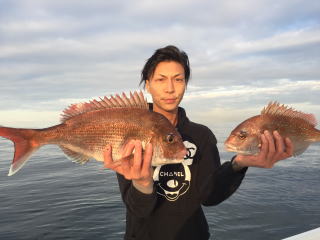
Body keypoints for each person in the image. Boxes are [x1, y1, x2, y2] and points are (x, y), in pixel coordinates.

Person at [103, 45, 293, 240]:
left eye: (178, 79)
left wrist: (239, 164)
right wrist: (142, 183)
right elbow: (138, 210)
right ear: (148, 85)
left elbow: (210, 197)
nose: (170, 88)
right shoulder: (131, 131)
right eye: (161, 80)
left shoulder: (201, 136)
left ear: (185, 84)